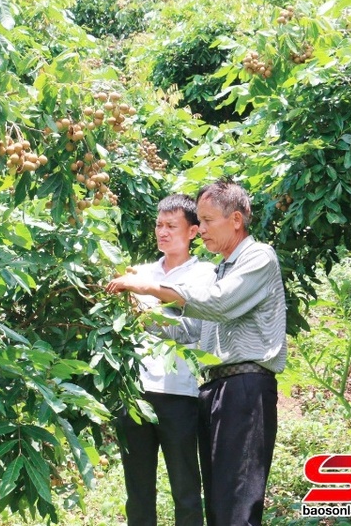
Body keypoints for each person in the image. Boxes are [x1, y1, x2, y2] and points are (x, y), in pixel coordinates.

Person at [106, 178, 287, 526]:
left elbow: (218, 304)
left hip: (245, 387)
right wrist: (135, 310)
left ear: (235, 220)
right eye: (200, 221)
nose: (201, 229)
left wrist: (151, 287)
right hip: (215, 389)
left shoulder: (257, 257)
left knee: (238, 499)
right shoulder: (222, 268)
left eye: (206, 221)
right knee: (218, 498)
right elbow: (189, 331)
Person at [117, 194, 216, 526]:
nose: (162, 232)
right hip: (134, 394)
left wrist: (142, 305)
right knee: (138, 491)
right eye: (159, 225)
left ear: (192, 231)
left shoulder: (204, 275)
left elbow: (189, 331)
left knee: (186, 489)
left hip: (179, 395)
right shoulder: (140, 272)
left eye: (171, 226)